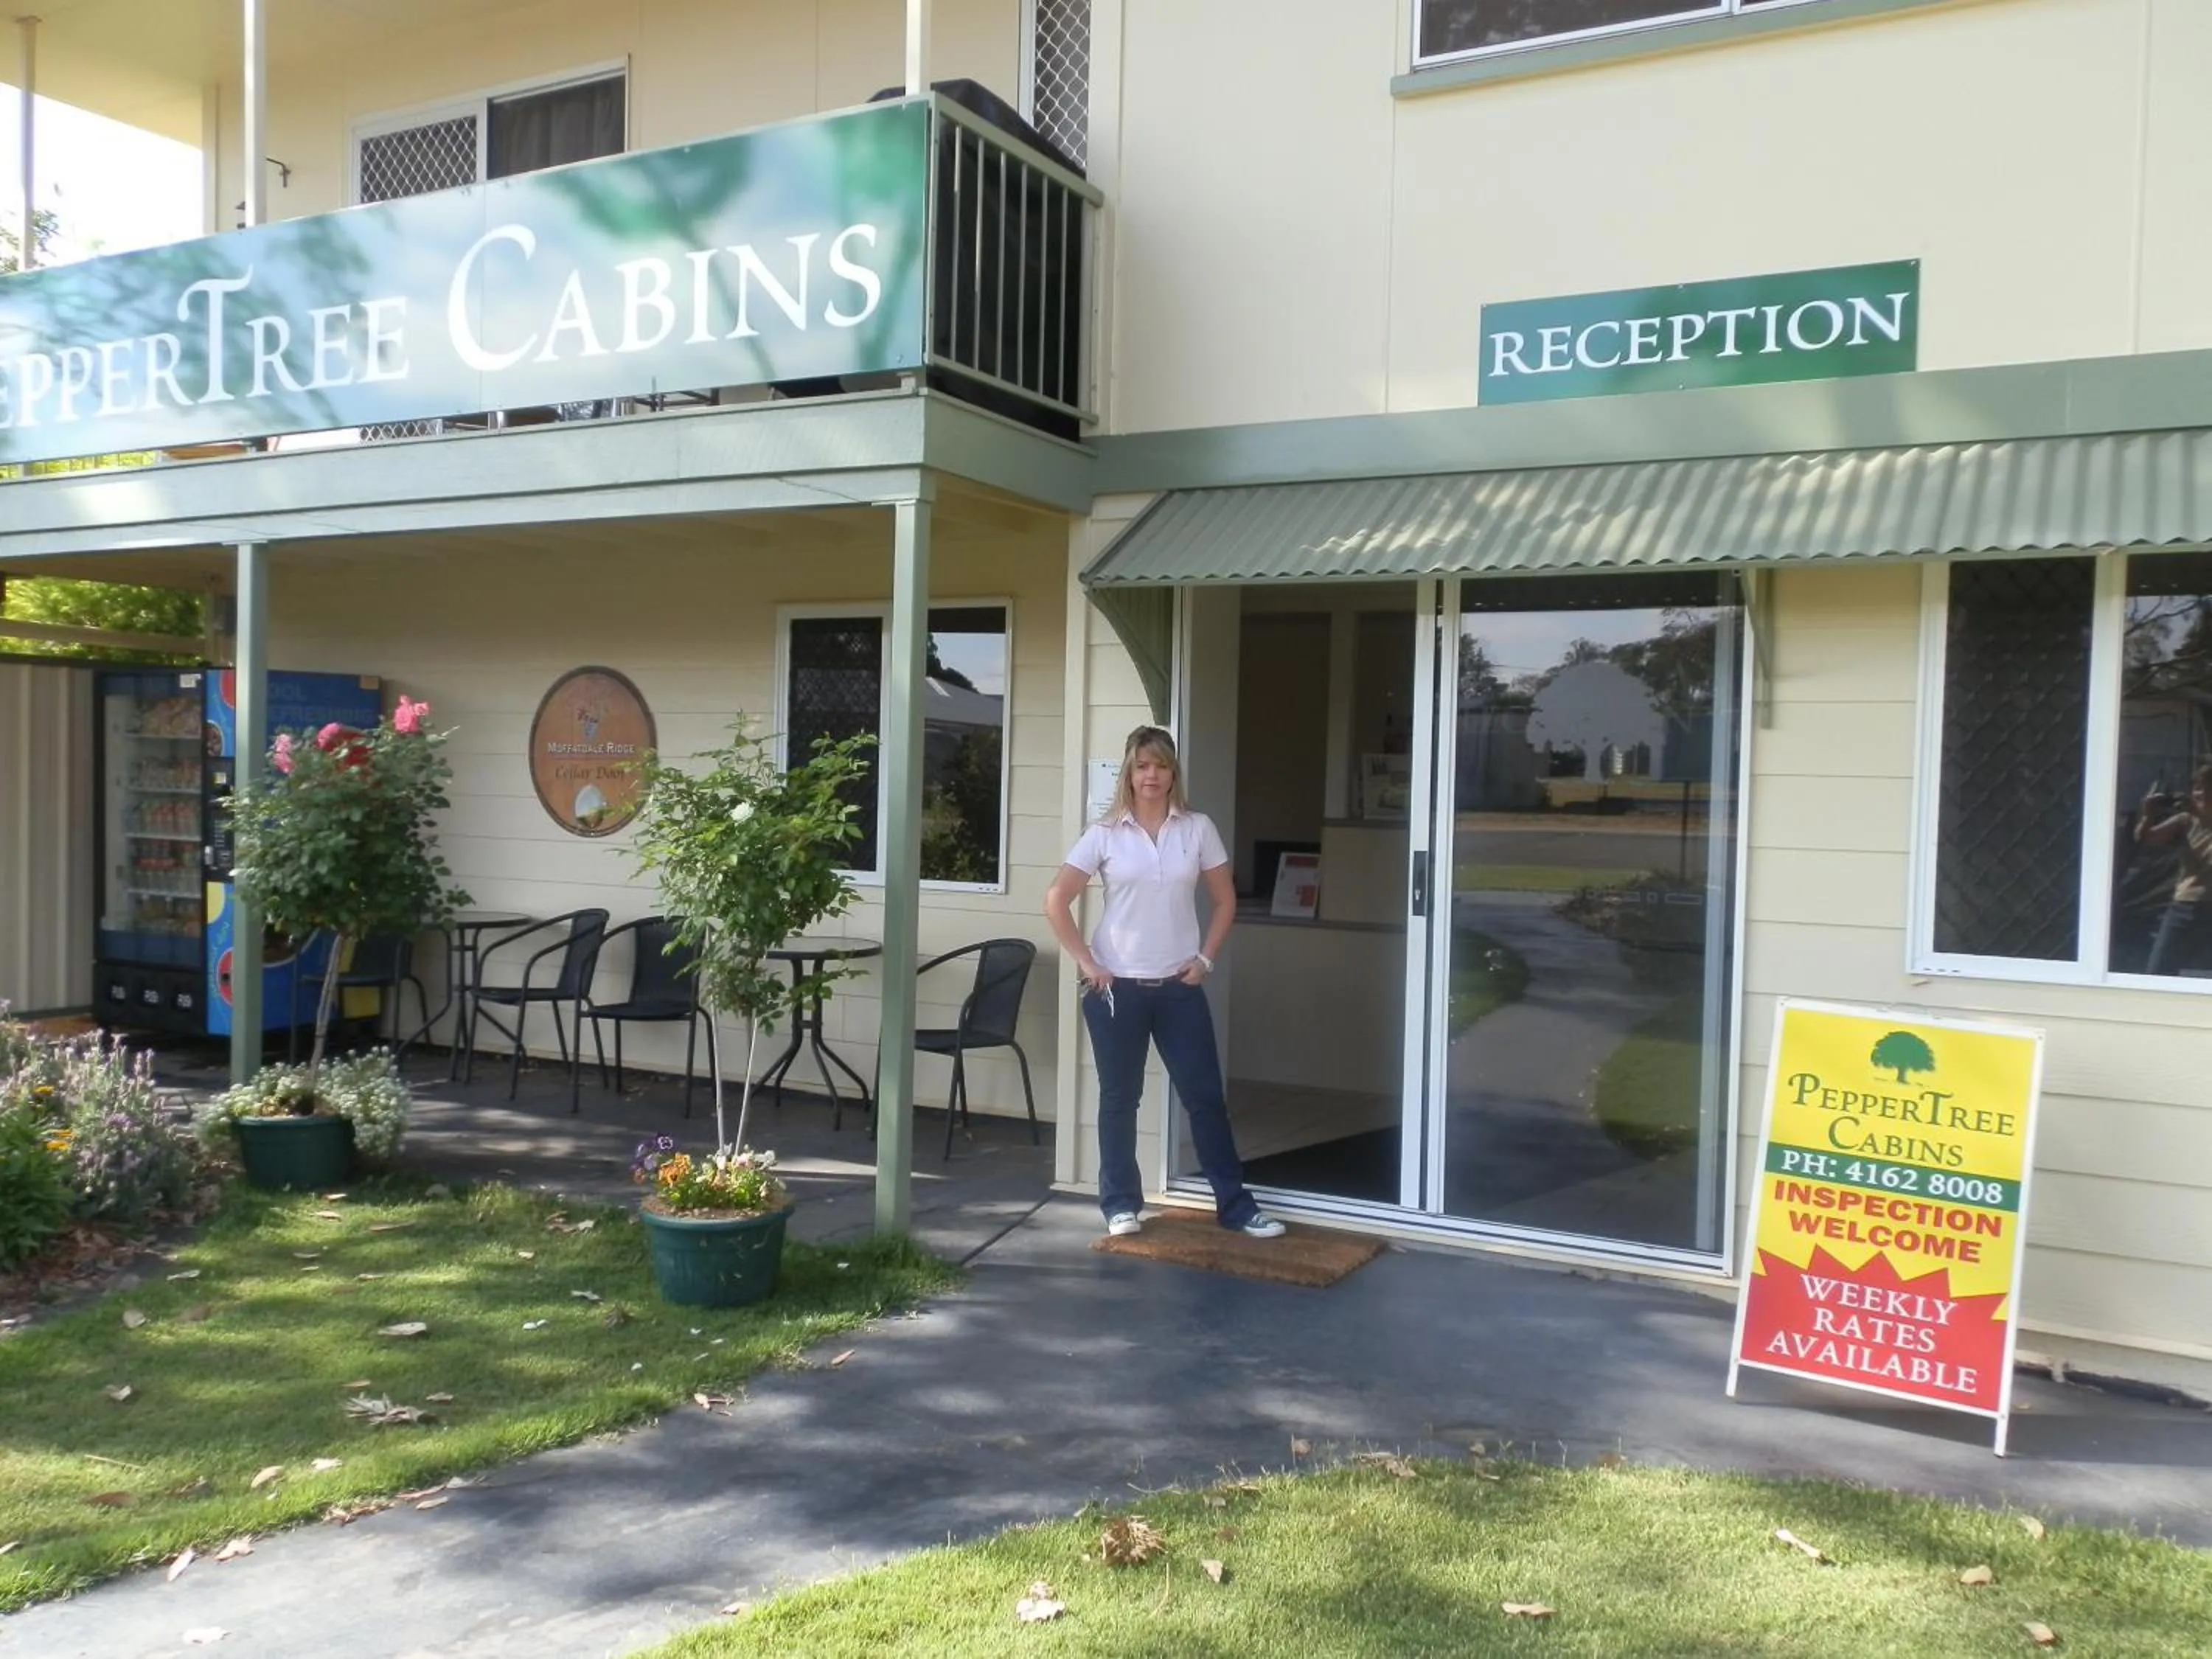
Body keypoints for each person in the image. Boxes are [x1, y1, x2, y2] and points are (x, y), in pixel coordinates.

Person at [1043, 726, 1285, 1240]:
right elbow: (1056, 899)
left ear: (1174, 774)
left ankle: (1236, 1206)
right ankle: (1120, 1204)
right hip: (1117, 991)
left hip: (1179, 988)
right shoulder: (1104, 833)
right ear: (1129, 774)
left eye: (1161, 766)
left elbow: (1225, 900)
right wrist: (1088, 962)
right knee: (1119, 1100)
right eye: (1142, 766)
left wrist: (1205, 959)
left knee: (1205, 1098)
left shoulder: (1197, 829)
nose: (1151, 775)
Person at [2135, 765, 2212, 975]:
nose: (2202, 793)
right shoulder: (2186, 821)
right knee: (2158, 972)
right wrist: (2148, 815)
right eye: (2198, 787)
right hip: (2184, 907)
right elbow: (2146, 839)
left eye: (2209, 787)